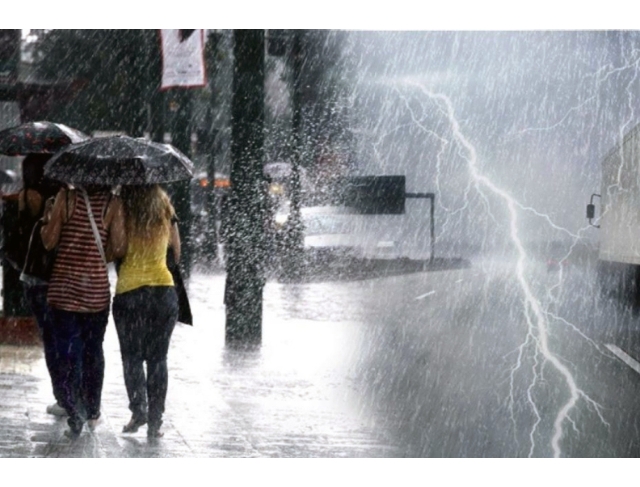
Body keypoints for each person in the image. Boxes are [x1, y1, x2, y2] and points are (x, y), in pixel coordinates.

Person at [41, 184, 126, 438]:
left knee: (69, 351)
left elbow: (48, 241)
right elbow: (119, 248)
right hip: (96, 294)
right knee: (93, 350)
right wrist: (96, 257)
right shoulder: (114, 204)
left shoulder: (66, 199)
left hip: (64, 290)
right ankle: (92, 409)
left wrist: (47, 219)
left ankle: (73, 408)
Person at [112, 184, 180, 439]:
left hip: (130, 292)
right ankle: (155, 421)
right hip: (163, 292)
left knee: (132, 357)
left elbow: (118, 247)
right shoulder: (164, 205)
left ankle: (138, 409)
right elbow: (177, 250)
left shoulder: (121, 205)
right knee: (158, 358)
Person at [17, 154, 66, 416]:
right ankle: (73, 393)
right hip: (61, 273)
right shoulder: (62, 196)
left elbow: (20, 234)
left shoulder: (27, 196)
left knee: (50, 339)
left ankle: (61, 395)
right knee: (66, 336)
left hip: (35, 274)